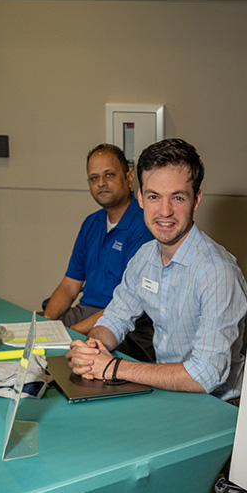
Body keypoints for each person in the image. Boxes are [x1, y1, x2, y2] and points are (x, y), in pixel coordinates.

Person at [66, 138, 247, 401]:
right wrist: (93, 349)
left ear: (196, 199)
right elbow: (115, 318)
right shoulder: (144, 257)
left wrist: (113, 368)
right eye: (154, 196)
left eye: (177, 197)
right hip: (170, 393)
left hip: (216, 405)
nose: (165, 211)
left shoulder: (217, 272)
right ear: (140, 197)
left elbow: (206, 374)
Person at [43, 144, 155, 357]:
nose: (101, 183)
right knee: (28, 338)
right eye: (94, 178)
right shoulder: (91, 223)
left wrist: (69, 333)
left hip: (126, 325)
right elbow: (69, 285)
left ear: (129, 178)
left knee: (69, 355)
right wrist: (46, 324)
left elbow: (127, 307)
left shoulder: (144, 226)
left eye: (109, 175)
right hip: (85, 313)